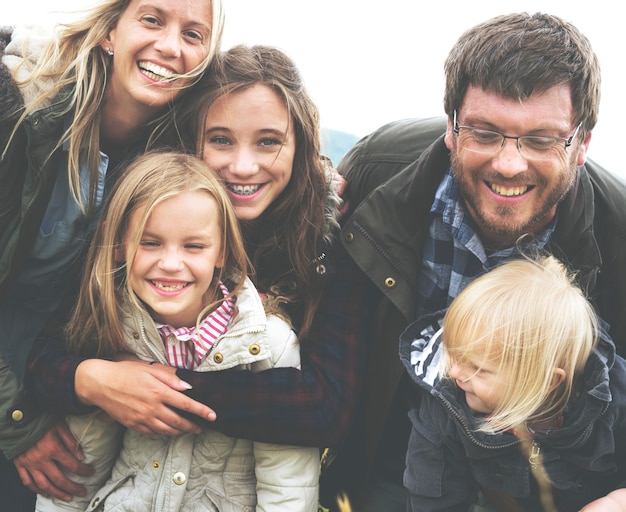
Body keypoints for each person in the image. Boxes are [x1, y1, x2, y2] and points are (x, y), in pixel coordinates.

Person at [23, 43, 373, 508]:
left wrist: (153, 386)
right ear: (192, 139)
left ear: (300, 144)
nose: (243, 166)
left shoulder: (326, 244)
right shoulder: (142, 217)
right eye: (221, 140)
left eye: (268, 141)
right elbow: (44, 342)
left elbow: (323, 406)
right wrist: (92, 380)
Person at [320, 11, 626, 512]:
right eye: (484, 133)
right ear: (452, 127)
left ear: (582, 144)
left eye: (541, 139)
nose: (509, 163)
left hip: (554, 491)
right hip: (389, 466)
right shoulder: (380, 169)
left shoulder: (619, 231)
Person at [0, 0, 224, 507]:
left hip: (49, 381)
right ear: (109, 32)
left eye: (194, 34)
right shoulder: (17, 112)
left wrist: (319, 192)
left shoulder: (169, 153)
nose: (170, 46)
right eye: (151, 19)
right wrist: (17, 423)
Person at [37, 150, 319, 512]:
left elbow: (287, 490)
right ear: (120, 244)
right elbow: (79, 475)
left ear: (223, 252)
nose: (171, 264)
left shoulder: (269, 345)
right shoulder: (113, 329)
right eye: (150, 242)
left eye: (194, 246)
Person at [398, 255, 626, 511]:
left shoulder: (613, 398)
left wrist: (615, 502)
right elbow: (431, 496)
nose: (455, 372)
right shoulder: (447, 406)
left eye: (479, 369)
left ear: (547, 380)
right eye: (455, 353)